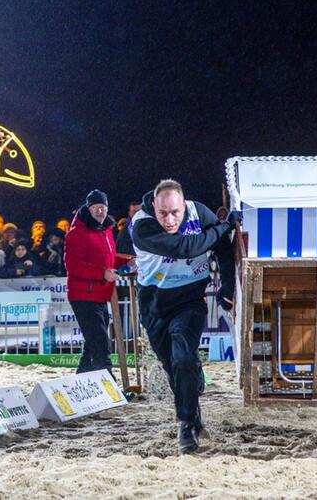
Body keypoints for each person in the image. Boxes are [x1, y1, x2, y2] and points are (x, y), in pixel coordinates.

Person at [131, 179, 238, 454]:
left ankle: (186, 424)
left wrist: (227, 286)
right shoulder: (142, 225)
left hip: (190, 298)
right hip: (154, 302)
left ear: (184, 204)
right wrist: (224, 225)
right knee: (172, 366)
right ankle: (192, 394)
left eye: (175, 213)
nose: (169, 219)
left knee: (183, 357)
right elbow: (185, 248)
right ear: (154, 206)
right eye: (163, 212)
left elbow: (223, 247)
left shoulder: (198, 212)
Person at [65, 190, 131, 376]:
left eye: (102, 207)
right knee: (101, 344)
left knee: (92, 345)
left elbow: (108, 260)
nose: (100, 211)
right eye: (95, 207)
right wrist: (102, 273)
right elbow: (73, 265)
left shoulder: (106, 230)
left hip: (100, 295)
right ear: (88, 209)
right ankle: (110, 388)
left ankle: (77, 384)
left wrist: (126, 262)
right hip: (83, 296)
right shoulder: (77, 233)